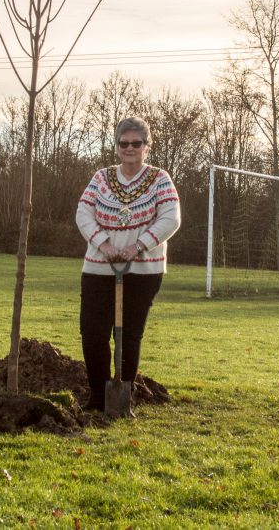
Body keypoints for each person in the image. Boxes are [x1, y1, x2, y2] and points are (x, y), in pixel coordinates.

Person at [75, 116, 181, 412]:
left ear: (147, 146)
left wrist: (138, 245)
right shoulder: (101, 178)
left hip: (143, 270)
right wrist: (104, 245)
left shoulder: (160, 179)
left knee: (129, 333)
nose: (130, 148)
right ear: (117, 146)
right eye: (124, 143)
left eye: (137, 143)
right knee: (93, 332)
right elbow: (83, 213)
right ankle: (98, 396)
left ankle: (124, 396)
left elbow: (171, 218)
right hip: (99, 267)